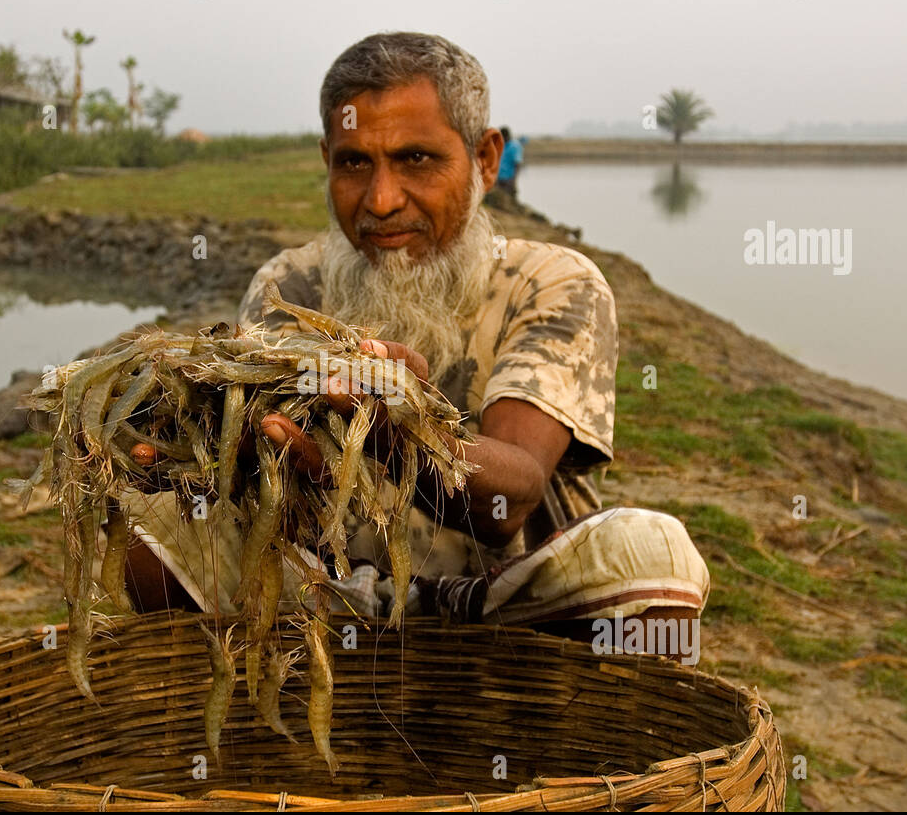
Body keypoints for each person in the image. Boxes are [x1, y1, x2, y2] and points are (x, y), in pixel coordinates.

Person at [119, 32, 708, 651]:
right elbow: (272, 487)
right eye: (354, 163)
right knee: (149, 523)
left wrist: (401, 428)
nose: (381, 200)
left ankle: (562, 727)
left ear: (484, 160)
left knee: (655, 560)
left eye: (416, 160)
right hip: (334, 599)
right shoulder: (289, 283)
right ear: (327, 159)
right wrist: (209, 458)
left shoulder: (551, 282)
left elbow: (515, 489)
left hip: (503, 604)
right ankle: (263, 730)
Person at [495, 125, 524, 198]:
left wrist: (513, 180)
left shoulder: (514, 146)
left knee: (509, 199)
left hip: (508, 179)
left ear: (507, 136)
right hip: (499, 179)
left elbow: (517, 164)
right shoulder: (501, 144)